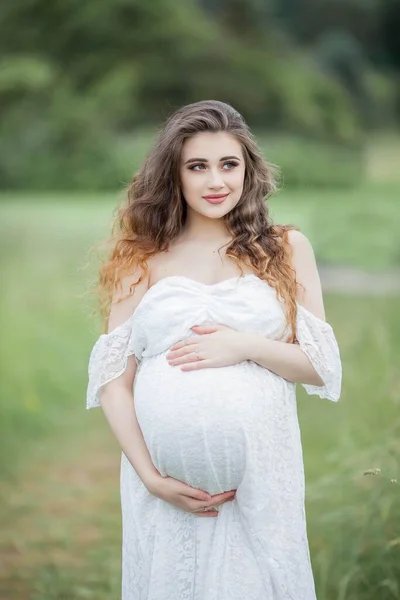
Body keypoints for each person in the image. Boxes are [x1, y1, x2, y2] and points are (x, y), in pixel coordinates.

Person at [86, 99, 342, 600]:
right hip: (164, 493)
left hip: (260, 486)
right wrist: (151, 477)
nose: (215, 181)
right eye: (197, 167)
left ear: (249, 170)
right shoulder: (143, 257)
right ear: (174, 175)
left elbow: (320, 367)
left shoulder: (285, 248)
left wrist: (242, 345)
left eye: (229, 165)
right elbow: (114, 384)